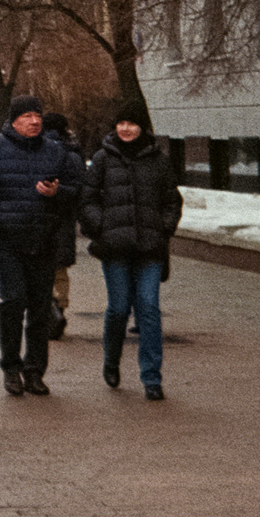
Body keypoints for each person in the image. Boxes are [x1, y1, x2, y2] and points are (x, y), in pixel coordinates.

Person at [0, 94, 81, 397]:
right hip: (7, 241)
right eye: (27, 116)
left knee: (41, 308)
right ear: (14, 120)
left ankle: (35, 371)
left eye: (37, 115)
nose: (34, 121)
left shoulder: (56, 152)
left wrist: (57, 192)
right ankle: (11, 368)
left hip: (44, 239)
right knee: (13, 302)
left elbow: (77, 192)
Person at [78, 98, 182, 399]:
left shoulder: (159, 160)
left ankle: (152, 378)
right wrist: (102, 227)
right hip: (115, 249)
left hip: (149, 248)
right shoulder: (102, 158)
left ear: (142, 126)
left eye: (132, 123)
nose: (125, 128)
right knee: (119, 308)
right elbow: (87, 200)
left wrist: (163, 228)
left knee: (148, 308)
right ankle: (111, 360)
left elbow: (172, 201)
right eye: (121, 123)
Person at [42, 112, 78, 341]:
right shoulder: (72, 153)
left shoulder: (36, 150)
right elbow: (80, 190)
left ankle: (47, 309)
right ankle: (58, 305)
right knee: (60, 270)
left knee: (40, 269)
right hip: (64, 220)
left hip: (39, 219)